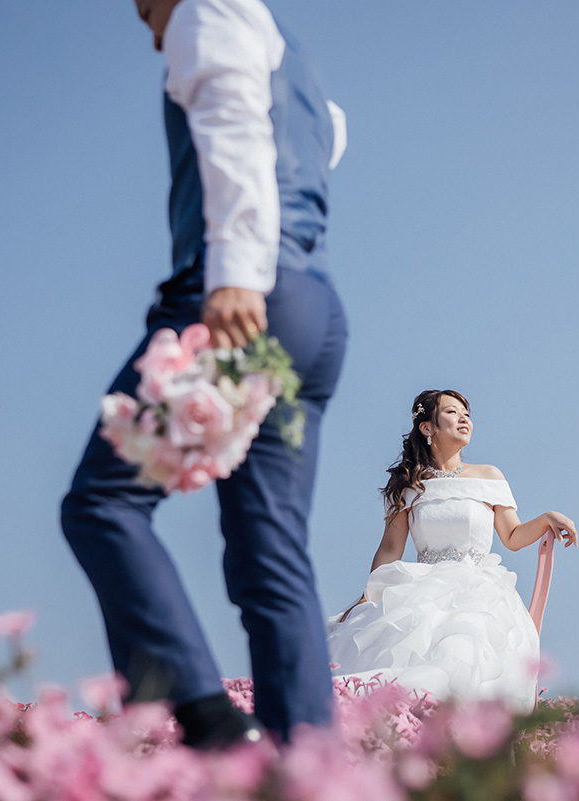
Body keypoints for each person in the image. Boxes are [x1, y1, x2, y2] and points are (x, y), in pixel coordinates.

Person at [61, 0, 348, 747]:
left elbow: (236, 133)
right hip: (313, 309)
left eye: (144, 8)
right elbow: (322, 146)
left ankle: (210, 724)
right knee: (270, 550)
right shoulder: (295, 58)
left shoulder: (205, 10)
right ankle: (305, 766)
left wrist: (235, 276)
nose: (149, 25)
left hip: (239, 303)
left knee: (102, 502)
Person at [326, 390, 578, 714]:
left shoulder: (489, 476)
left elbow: (513, 536)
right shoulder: (407, 485)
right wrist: (367, 596)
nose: (464, 419)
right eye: (451, 412)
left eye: (466, 413)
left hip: (479, 592)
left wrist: (546, 518)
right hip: (420, 592)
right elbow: (390, 549)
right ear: (427, 428)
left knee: (464, 655)